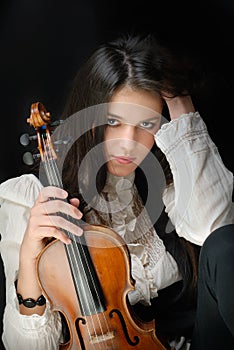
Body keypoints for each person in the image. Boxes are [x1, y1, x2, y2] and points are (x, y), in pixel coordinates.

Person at [0, 32, 233, 350]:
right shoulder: (30, 197)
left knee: (224, 244)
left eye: (147, 125)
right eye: (113, 121)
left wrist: (180, 102)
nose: (128, 143)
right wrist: (29, 258)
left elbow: (216, 231)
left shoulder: (168, 178)